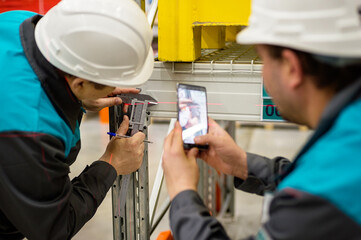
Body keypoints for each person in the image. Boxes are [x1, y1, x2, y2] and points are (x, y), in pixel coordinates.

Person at [162, 0, 361, 239]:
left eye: (264, 60)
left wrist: (182, 191)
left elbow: (316, 190)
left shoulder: (319, 199)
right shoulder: (350, 131)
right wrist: (242, 164)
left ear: (291, 68)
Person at [0, 0, 153, 239]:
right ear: (79, 82)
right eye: (108, 85)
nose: (113, 90)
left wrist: (76, 98)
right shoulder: (30, 132)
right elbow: (54, 227)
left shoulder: (21, 22)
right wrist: (110, 163)